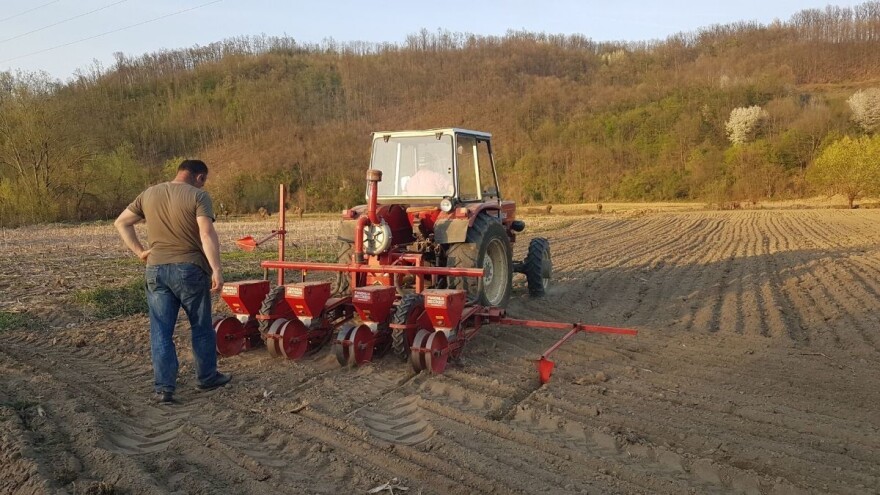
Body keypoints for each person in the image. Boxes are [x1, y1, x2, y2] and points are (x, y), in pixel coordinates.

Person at [114, 159, 231, 404]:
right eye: (204, 181)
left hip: (155, 269)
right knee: (200, 326)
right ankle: (206, 378)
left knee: (161, 331)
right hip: (189, 269)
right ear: (199, 177)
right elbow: (206, 233)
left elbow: (121, 222)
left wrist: (140, 252)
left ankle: (164, 389)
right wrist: (217, 269)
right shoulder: (198, 196)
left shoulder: (149, 194)